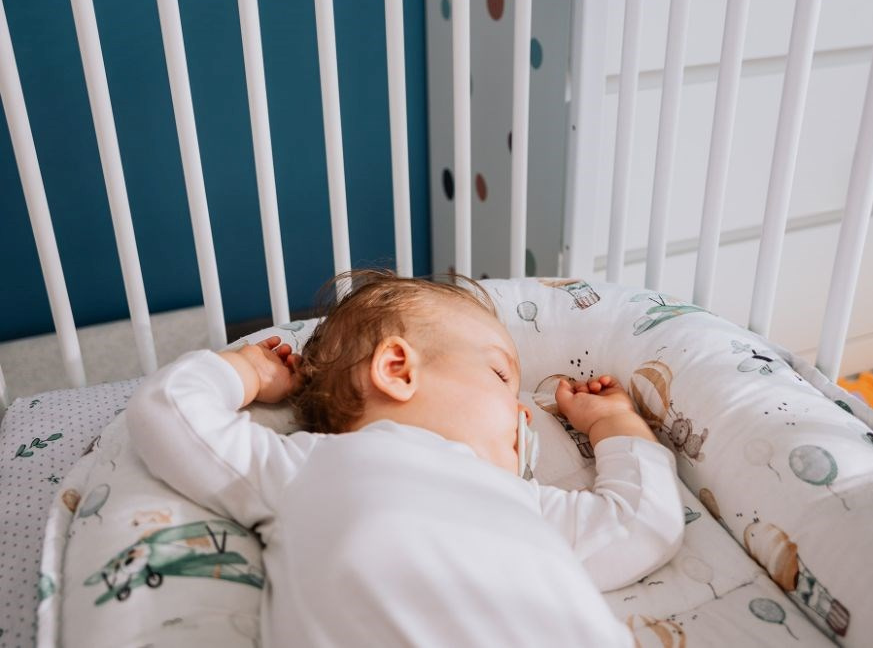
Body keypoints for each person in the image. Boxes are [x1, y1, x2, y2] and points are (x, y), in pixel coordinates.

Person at [126, 271, 685, 647]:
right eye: (500, 376)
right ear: (397, 369)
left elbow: (643, 524)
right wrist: (248, 370)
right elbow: (169, 412)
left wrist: (614, 422)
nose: (524, 413)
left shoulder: (523, 500)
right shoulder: (304, 466)